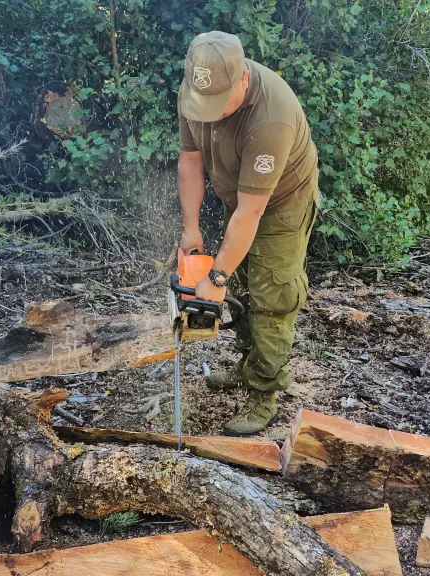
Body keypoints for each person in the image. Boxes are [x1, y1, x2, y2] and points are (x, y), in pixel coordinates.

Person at [176, 31, 319, 435]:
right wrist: (191, 229)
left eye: (219, 105)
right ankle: (246, 365)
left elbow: (253, 210)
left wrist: (215, 276)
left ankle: (265, 396)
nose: (211, 113)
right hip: (236, 192)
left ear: (242, 79)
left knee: (272, 294)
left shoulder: (270, 116)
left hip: (279, 203)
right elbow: (190, 161)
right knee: (236, 285)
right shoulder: (196, 88)